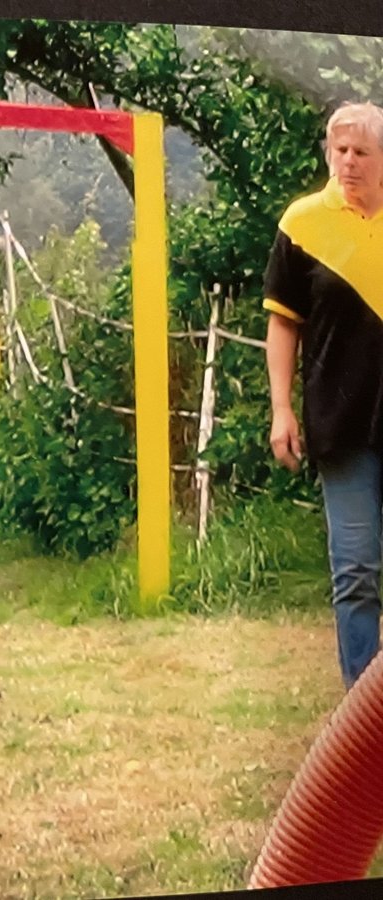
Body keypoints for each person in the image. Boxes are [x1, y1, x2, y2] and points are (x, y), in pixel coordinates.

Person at [265, 100, 383, 689]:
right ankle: (363, 717)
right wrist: (281, 408)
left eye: (362, 152)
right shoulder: (303, 223)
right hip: (341, 421)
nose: (349, 162)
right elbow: (284, 323)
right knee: (356, 571)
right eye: (339, 150)